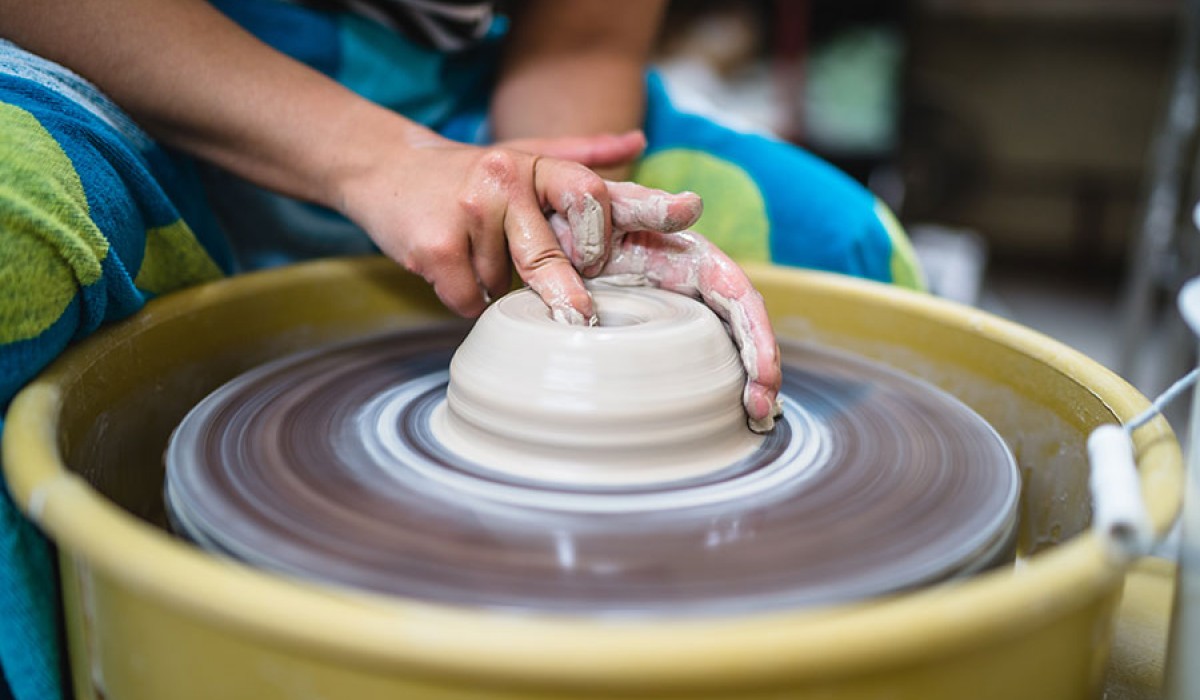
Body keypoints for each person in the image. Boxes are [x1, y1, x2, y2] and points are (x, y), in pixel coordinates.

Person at [0, 2, 923, 698]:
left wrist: (552, 212)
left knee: (844, 246)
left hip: (472, 115)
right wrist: (377, 162)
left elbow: (583, 37)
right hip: (146, 89)